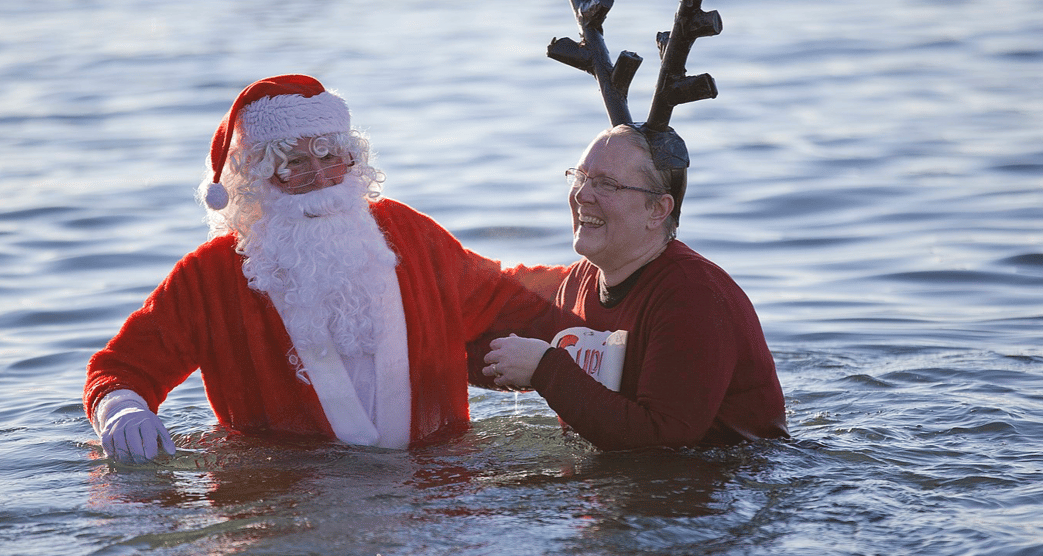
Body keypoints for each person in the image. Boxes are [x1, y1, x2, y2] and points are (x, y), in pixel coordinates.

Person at [84, 74, 564, 462]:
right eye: (293, 163)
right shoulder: (211, 275)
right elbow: (122, 368)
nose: (320, 179)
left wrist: (613, 288)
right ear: (254, 178)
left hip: (434, 500)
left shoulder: (408, 233)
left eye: (331, 157)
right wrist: (123, 410)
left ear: (352, 159)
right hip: (289, 506)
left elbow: (509, 298)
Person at [482, 123, 788, 451]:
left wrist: (546, 369)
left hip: (732, 477)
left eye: (606, 184)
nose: (582, 195)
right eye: (580, 177)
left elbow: (663, 440)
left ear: (657, 210)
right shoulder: (577, 284)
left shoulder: (693, 297)